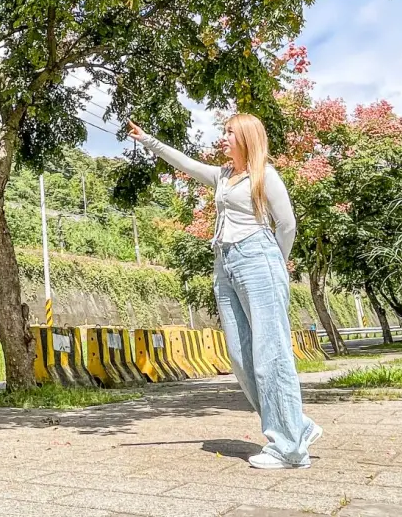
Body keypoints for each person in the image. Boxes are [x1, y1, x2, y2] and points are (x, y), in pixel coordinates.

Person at [127, 113, 322, 469]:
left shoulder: (267, 175)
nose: (224, 137)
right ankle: (297, 426)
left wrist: (275, 262)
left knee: (270, 354)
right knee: (241, 357)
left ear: (247, 137)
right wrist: (148, 140)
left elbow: (287, 224)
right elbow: (184, 163)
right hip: (225, 262)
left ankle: (291, 449)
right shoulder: (223, 175)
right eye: (225, 132)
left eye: (230, 132)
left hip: (259, 257)